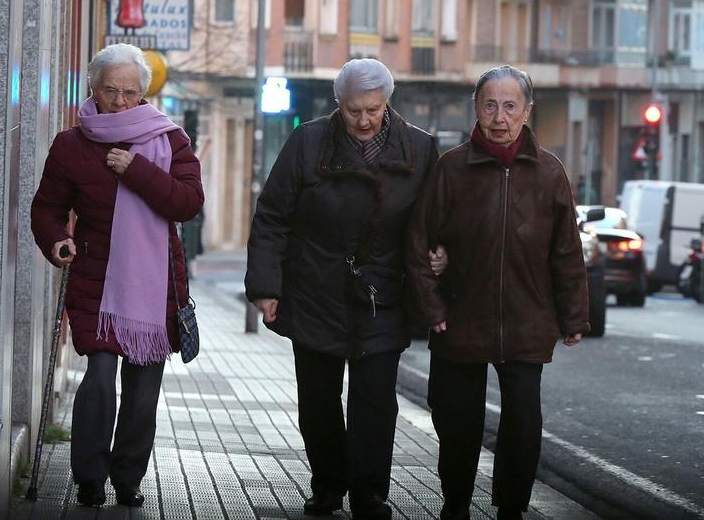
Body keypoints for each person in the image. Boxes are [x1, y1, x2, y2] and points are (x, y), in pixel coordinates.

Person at [245, 59, 444, 519]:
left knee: (375, 401)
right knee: (318, 398)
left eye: (372, 109)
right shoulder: (309, 141)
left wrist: (441, 253)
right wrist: (266, 286)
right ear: (339, 105)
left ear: (386, 103)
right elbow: (273, 215)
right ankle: (328, 485)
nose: (363, 120)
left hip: (382, 293)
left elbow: (435, 219)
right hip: (314, 286)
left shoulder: (419, 149)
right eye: (353, 110)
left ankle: (369, 493)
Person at [406, 65, 590, 520]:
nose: (499, 116)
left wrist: (573, 317)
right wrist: (431, 307)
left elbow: (566, 250)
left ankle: (512, 507)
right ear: (476, 107)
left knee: (524, 427)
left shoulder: (549, 173)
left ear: (527, 111)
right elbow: (417, 242)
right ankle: (456, 503)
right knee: (456, 422)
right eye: (490, 104)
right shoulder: (451, 169)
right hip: (460, 319)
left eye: (510, 106)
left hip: (527, 320)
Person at [30, 43, 204, 508]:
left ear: (144, 94)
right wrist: (57, 241)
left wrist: (137, 171)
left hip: (154, 287)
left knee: (143, 392)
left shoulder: (170, 140)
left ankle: (128, 478)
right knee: (100, 379)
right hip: (95, 281)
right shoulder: (72, 144)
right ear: (93, 88)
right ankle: (89, 477)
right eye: (111, 91)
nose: (121, 101)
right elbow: (47, 207)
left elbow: (187, 202)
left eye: (130, 93)